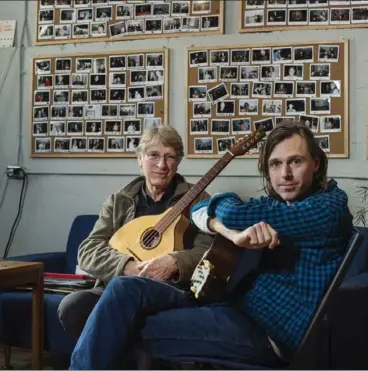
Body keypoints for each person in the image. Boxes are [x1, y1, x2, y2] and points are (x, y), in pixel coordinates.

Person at [68, 123, 353, 370]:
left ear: (316, 163)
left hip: (270, 332)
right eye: (275, 164)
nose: (285, 174)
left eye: (296, 161)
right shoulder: (280, 205)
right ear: (139, 160)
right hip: (231, 304)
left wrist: (221, 226)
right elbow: (203, 210)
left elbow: (228, 211)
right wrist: (227, 230)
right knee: (122, 289)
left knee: (124, 325)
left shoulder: (326, 208)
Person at [57, 126, 214, 340]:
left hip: (171, 289)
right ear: (139, 159)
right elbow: (88, 249)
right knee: (72, 306)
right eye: (153, 155)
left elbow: (208, 251)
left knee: (129, 306)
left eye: (170, 157)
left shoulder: (199, 199)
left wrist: (175, 262)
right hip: (117, 287)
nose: (162, 165)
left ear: (178, 162)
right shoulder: (119, 201)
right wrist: (126, 266)